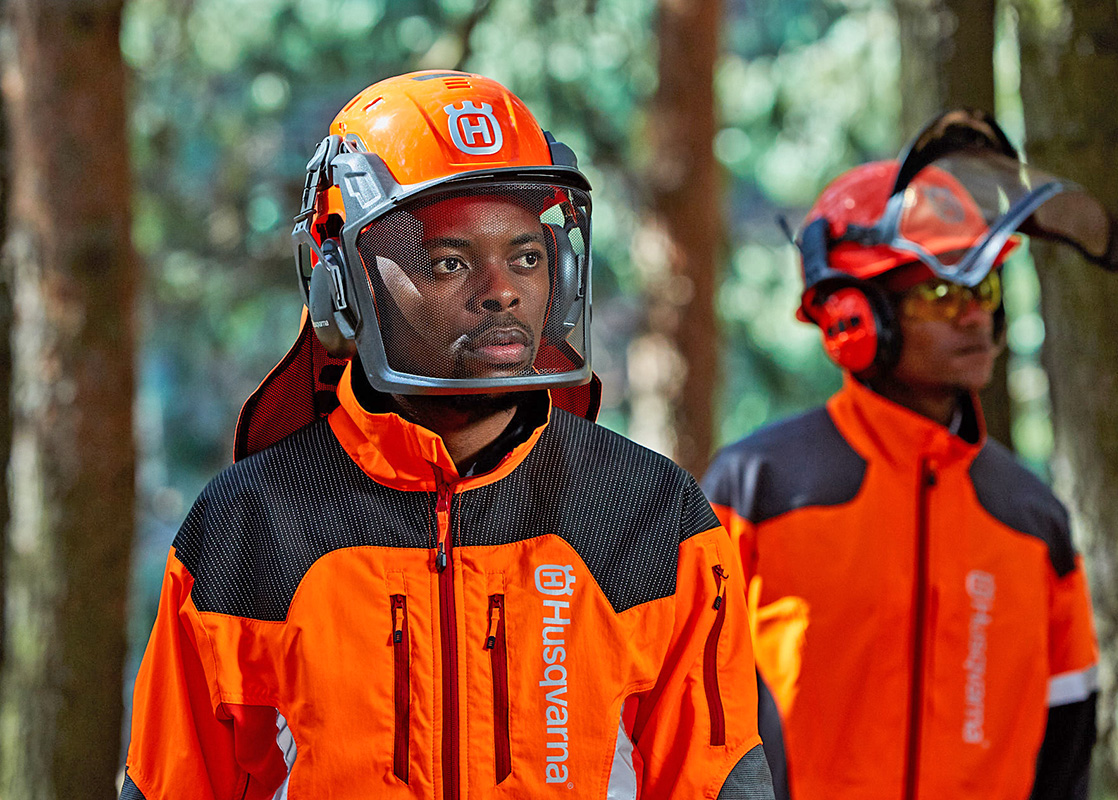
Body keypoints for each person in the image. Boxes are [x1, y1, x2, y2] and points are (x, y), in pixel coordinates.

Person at [121, 71, 772, 800]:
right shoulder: (247, 527)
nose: (503, 288)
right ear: (341, 278)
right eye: (450, 261)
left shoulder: (650, 514)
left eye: (527, 256)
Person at [702, 110, 1118, 800]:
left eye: (982, 288)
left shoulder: (1030, 517)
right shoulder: (758, 489)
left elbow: (1067, 744)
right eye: (938, 292)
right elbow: (682, 714)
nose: (974, 314)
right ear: (853, 317)